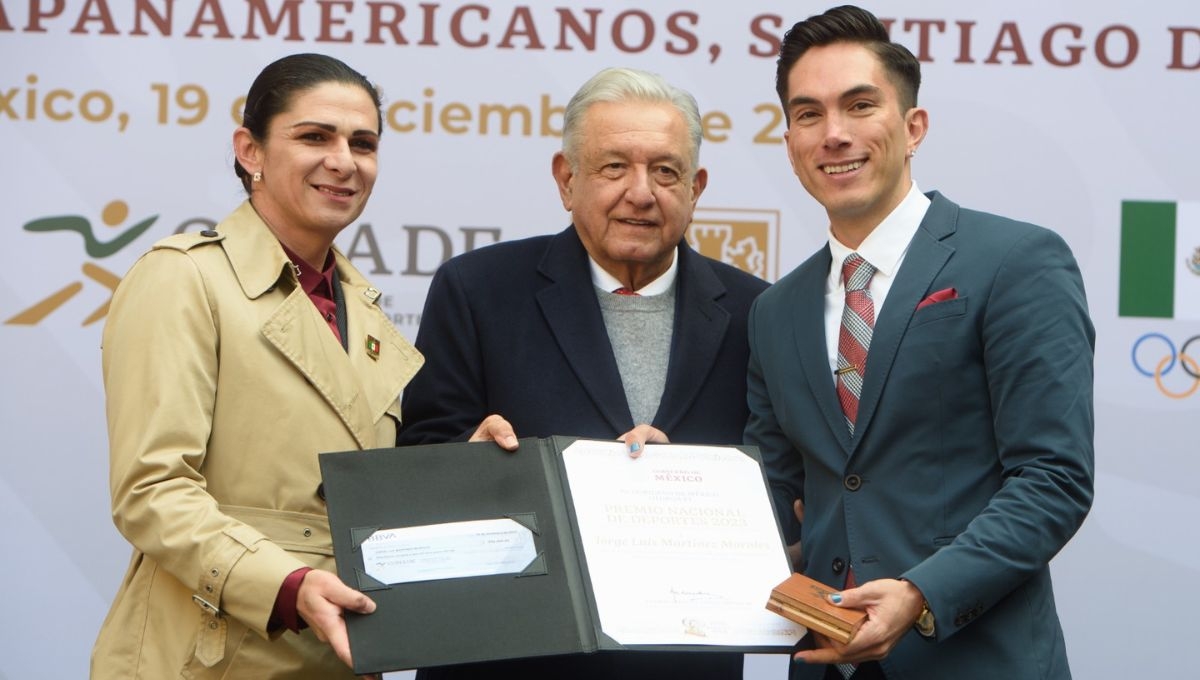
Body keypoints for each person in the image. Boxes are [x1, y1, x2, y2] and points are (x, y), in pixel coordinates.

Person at [745, 6, 1095, 680]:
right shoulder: (774, 312)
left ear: (913, 128)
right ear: (789, 139)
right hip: (826, 663)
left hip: (978, 661)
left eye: (860, 105)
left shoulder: (1015, 261)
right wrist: (663, 483)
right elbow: (771, 489)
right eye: (809, 114)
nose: (834, 134)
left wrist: (920, 594)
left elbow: (1054, 478)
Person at [398, 67, 769, 680]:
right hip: (509, 655)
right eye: (614, 167)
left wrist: (688, 483)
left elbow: (781, 480)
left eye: (666, 171)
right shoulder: (477, 291)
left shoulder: (758, 312)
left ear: (697, 187)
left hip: (683, 662)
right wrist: (467, 463)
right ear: (566, 180)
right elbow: (417, 464)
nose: (642, 192)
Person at [91, 53, 423, 679]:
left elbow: (368, 494)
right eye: (314, 137)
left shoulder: (365, 312)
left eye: (364, 143)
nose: (344, 161)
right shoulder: (183, 277)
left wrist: (474, 469)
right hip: (206, 655)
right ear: (250, 151)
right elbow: (151, 492)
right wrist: (290, 584)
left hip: (341, 654)